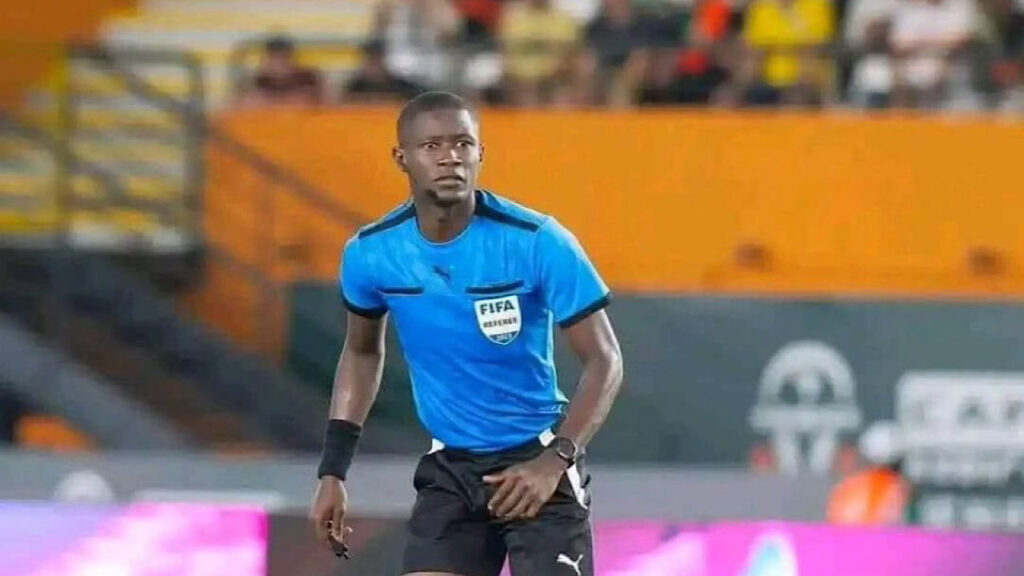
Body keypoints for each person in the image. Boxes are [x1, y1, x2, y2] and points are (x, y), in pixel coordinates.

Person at [309, 91, 624, 576]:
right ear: (402, 158)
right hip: (451, 468)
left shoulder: (538, 241)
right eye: (432, 145)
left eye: (462, 143)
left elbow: (605, 360)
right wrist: (333, 470)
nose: (450, 157)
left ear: (480, 153)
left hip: (537, 460)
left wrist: (555, 460)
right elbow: (362, 353)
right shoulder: (370, 254)